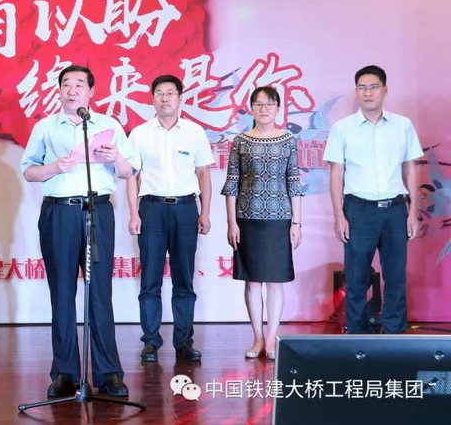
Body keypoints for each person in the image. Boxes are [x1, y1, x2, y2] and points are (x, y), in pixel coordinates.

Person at [20, 64, 139, 398]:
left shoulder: (108, 126)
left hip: (97, 211)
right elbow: (28, 172)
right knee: (61, 292)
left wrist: (115, 157)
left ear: (91, 92)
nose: (72, 90)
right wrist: (54, 167)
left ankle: (108, 372)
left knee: (99, 292)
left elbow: (129, 171)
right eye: (66, 85)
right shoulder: (45, 127)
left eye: (79, 85)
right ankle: (65, 372)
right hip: (59, 213)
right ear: (59, 90)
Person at [323, 65, 422, 334]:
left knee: (395, 277)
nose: (368, 93)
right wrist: (339, 215)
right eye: (362, 88)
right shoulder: (343, 128)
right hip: (358, 210)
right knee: (356, 278)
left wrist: (413, 212)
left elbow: (410, 169)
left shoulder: (403, 125)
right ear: (356, 92)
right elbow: (336, 173)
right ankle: (357, 336)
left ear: (385, 90)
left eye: (373, 87)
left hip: (395, 209)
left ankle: (394, 333)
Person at [126, 75, 213, 363]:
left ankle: (184, 341)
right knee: (150, 279)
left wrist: (205, 212)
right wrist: (134, 213)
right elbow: (132, 176)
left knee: (184, 280)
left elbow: (203, 174)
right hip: (151, 209)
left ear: (180, 98)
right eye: (160, 93)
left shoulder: (194, 132)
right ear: (152, 98)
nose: (165, 98)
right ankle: (150, 341)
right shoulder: (140, 133)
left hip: (186, 209)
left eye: (170, 93)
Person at [221, 86, 303, 360]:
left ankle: (271, 339)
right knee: (253, 282)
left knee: (276, 282)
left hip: (280, 220)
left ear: (278, 108)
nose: (264, 108)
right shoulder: (241, 141)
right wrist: (231, 223)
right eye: (258, 104)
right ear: (251, 108)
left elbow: (294, 181)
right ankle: (257, 337)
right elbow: (232, 184)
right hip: (247, 219)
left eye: (269, 104)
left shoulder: (288, 140)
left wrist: (297, 223)